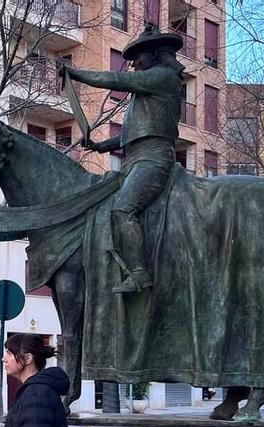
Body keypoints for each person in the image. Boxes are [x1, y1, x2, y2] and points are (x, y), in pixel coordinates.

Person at [63, 24, 185, 294]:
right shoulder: (143, 96)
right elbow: (128, 135)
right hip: (134, 160)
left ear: (154, 54)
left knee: (123, 209)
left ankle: (140, 274)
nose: (133, 64)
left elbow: (115, 81)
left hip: (153, 159)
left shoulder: (162, 77)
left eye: (138, 57)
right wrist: (99, 145)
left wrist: (77, 73)